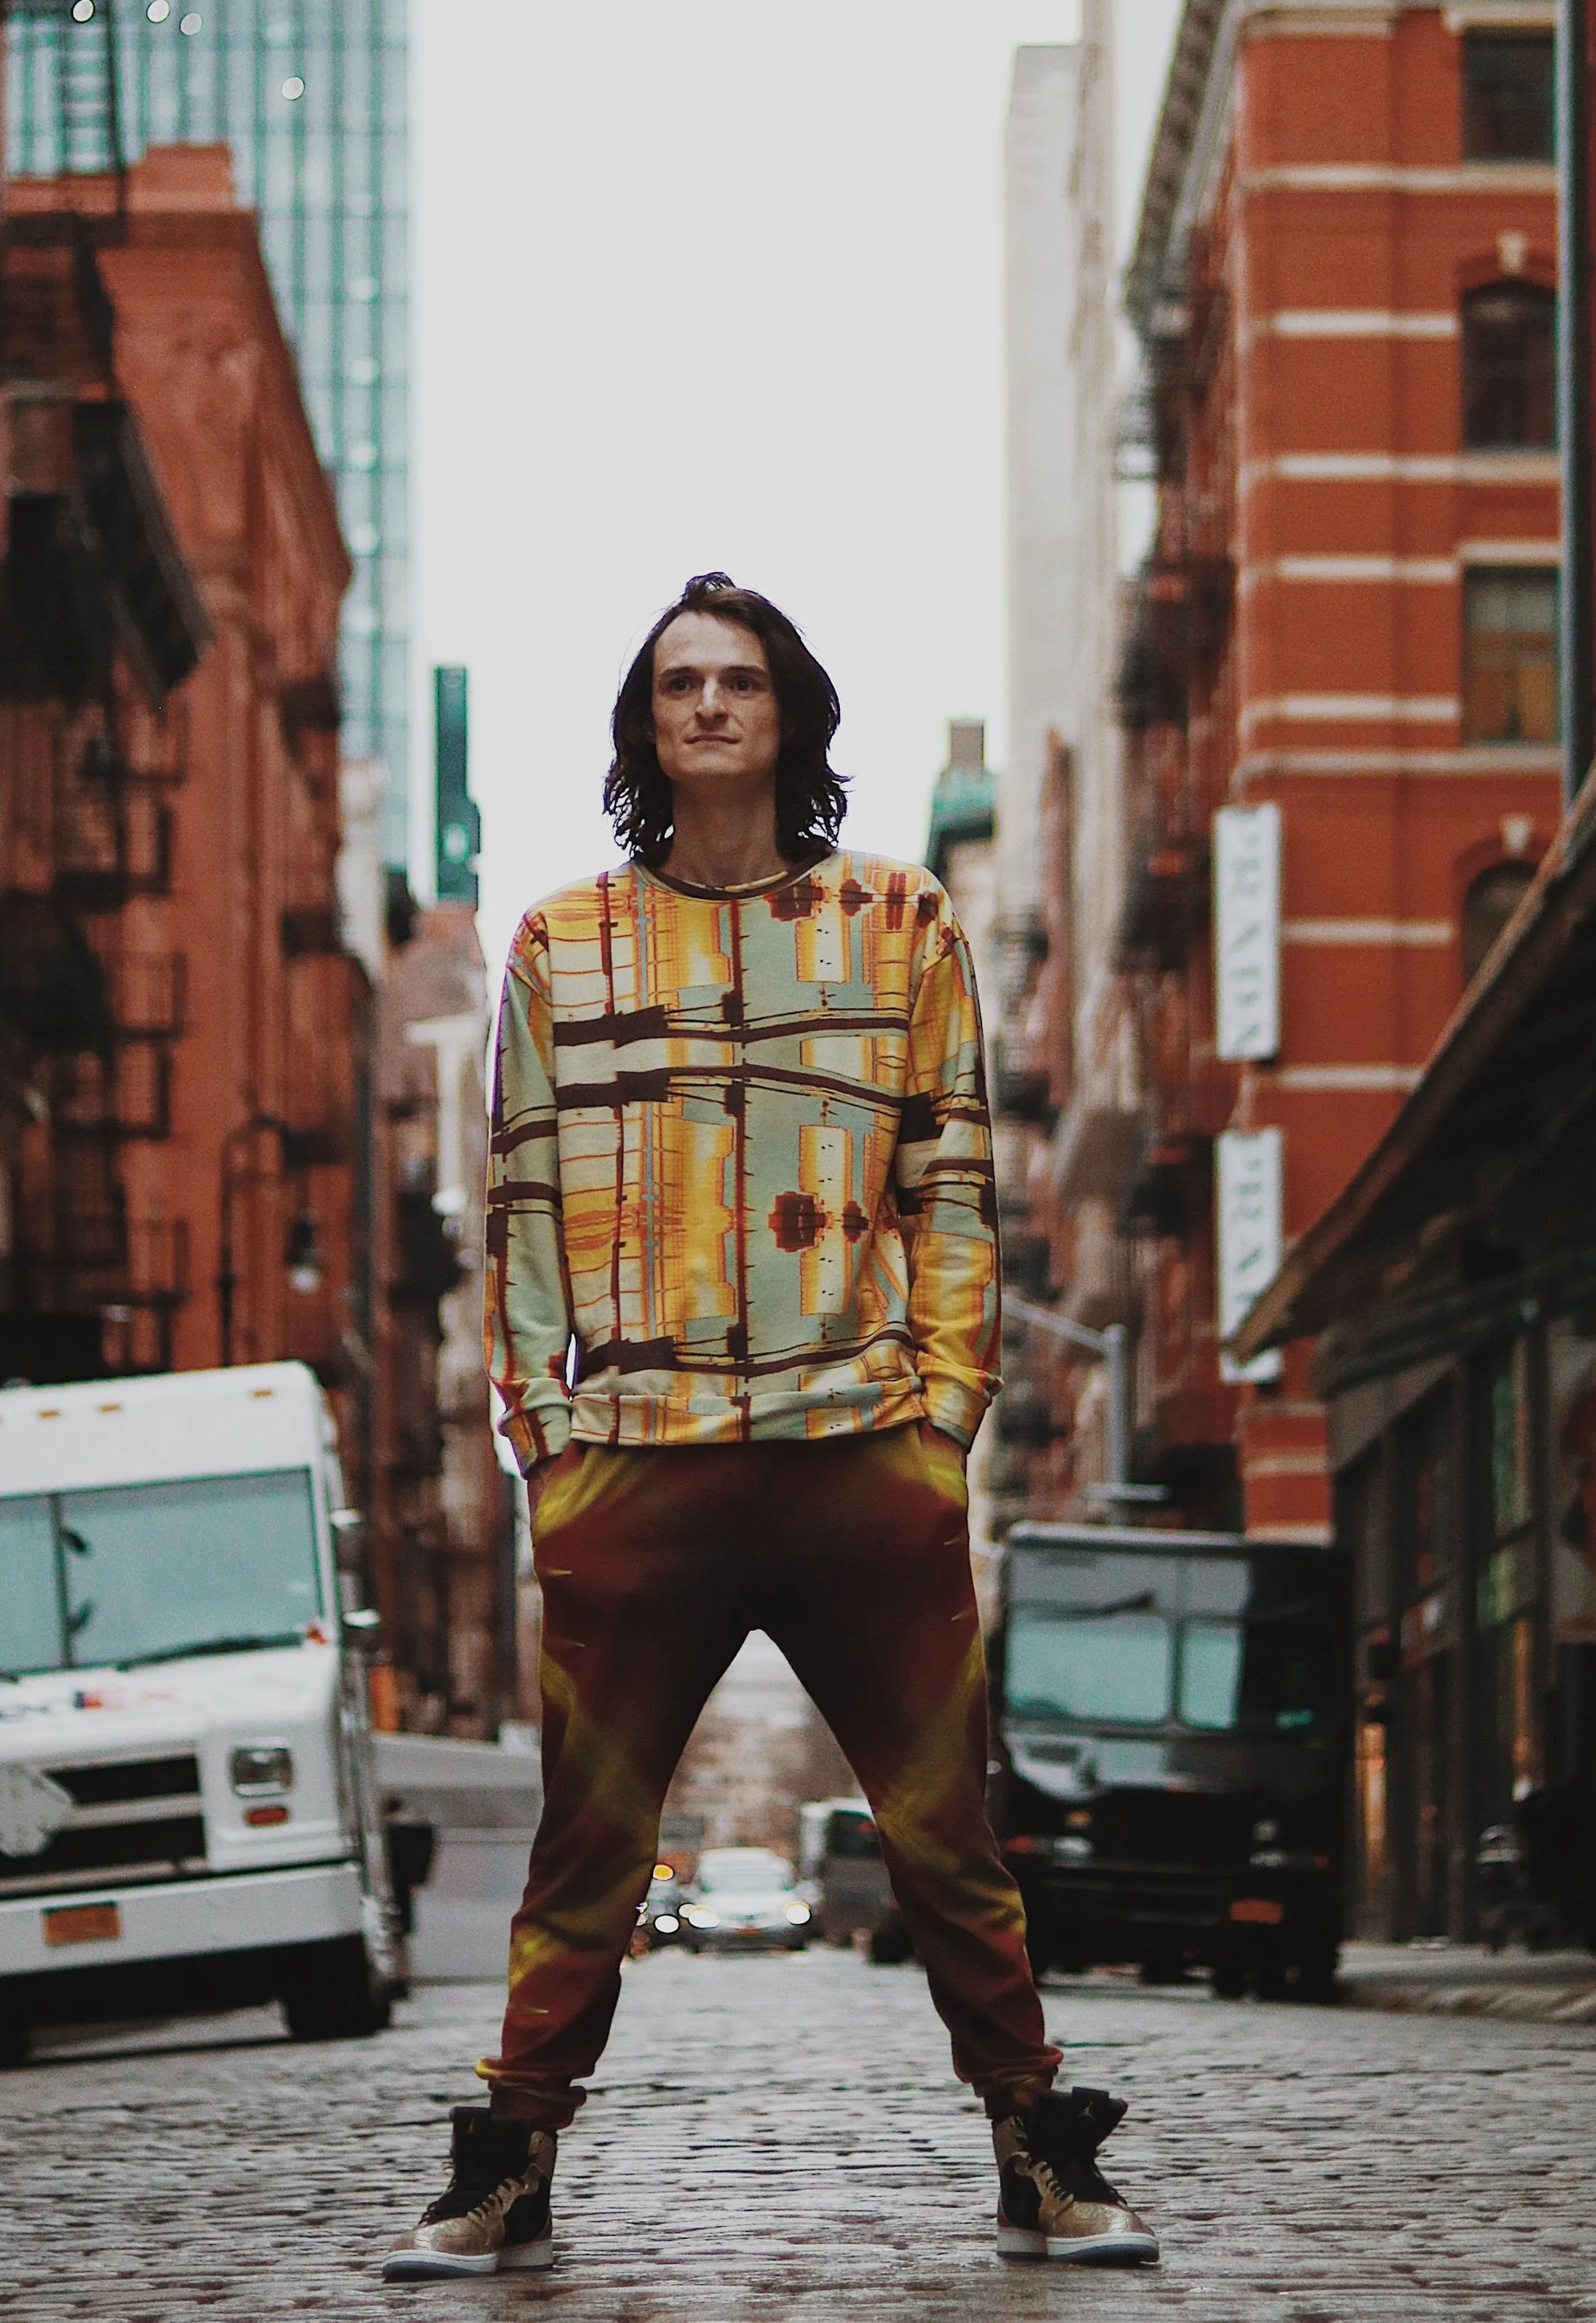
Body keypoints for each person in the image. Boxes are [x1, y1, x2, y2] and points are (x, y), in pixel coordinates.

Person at [383, 574, 1156, 2281]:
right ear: (644, 726)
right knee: (588, 1837)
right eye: (679, 685)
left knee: (944, 1826)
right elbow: (510, 1214)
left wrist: (940, 1415)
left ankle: (1037, 2151)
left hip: (854, 1447)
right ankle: (507, 2162)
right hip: (633, 1462)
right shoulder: (556, 944)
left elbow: (953, 1187)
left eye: (739, 681)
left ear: (787, 713)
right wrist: (541, 1447)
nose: (710, 707)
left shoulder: (900, 930)